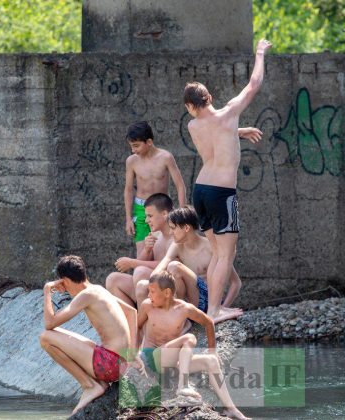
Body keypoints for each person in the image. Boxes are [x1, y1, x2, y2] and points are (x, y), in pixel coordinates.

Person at [183, 39, 272, 322]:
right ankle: (215, 310)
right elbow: (254, 83)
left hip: (201, 191)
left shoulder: (193, 125)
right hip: (222, 193)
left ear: (189, 106)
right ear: (209, 96)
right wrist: (259, 53)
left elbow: (217, 138)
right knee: (225, 255)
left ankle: (212, 307)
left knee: (216, 252)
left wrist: (240, 131)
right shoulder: (228, 113)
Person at [137, 271, 250, 420]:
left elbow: (208, 323)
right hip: (152, 358)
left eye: (152, 292)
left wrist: (212, 351)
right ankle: (183, 386)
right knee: (189, 338)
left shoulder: (184, 309)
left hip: (171, 361)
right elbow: (136, 327)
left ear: (167, 292)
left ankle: (232, 409)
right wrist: (134, 354)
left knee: (211, 361)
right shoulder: (147, 306)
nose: (149, 296)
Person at [39, 255, 137, 414]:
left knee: (46, 337)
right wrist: (131, 356)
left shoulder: (86, 295)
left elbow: (49, 323)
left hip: (109, 365)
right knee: (52, 334)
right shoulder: (98, 289)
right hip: (118, 362)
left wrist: (47, 291)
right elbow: (132, 312)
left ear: (65, 281)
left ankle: (90, 386)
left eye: (62, 283)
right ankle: (98, 384)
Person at [135, 206, 242, 323]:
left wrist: (221, 308)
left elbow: (236, 283)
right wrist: (152, 286)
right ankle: (147, 331)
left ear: (186, 227)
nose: (170, 232)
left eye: (173, 228)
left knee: (174, 266)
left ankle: (177, 317)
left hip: (208, 302)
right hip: (189, 301)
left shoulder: (211, 247)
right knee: (142, 285)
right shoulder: (177, 245)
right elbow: (163, 263)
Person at [124, 121, 187, 258]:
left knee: (167, 249)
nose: (134, 150)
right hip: (141, 209)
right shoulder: (132, 161)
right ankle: (141, 276)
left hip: (162, 209)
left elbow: (180, 185)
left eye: (136, 146)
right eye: (131, 146)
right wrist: (128, 218)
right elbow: (128, 190)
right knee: (142, 252)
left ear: (149, 142)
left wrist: (182, 213)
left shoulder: (166, 158)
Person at [106, 193, 174, 307]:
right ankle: (134, 318)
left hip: (169, 290)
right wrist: (147, 250)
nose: (146, 220)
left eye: (150, 216)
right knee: (112, 279)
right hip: (149, 288)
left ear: (164, 214)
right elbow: (141, 262)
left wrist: (132, 263)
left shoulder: (176, 236)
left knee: (141, 271)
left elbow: (167, 265)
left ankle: (149, 318)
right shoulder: (155, 233)